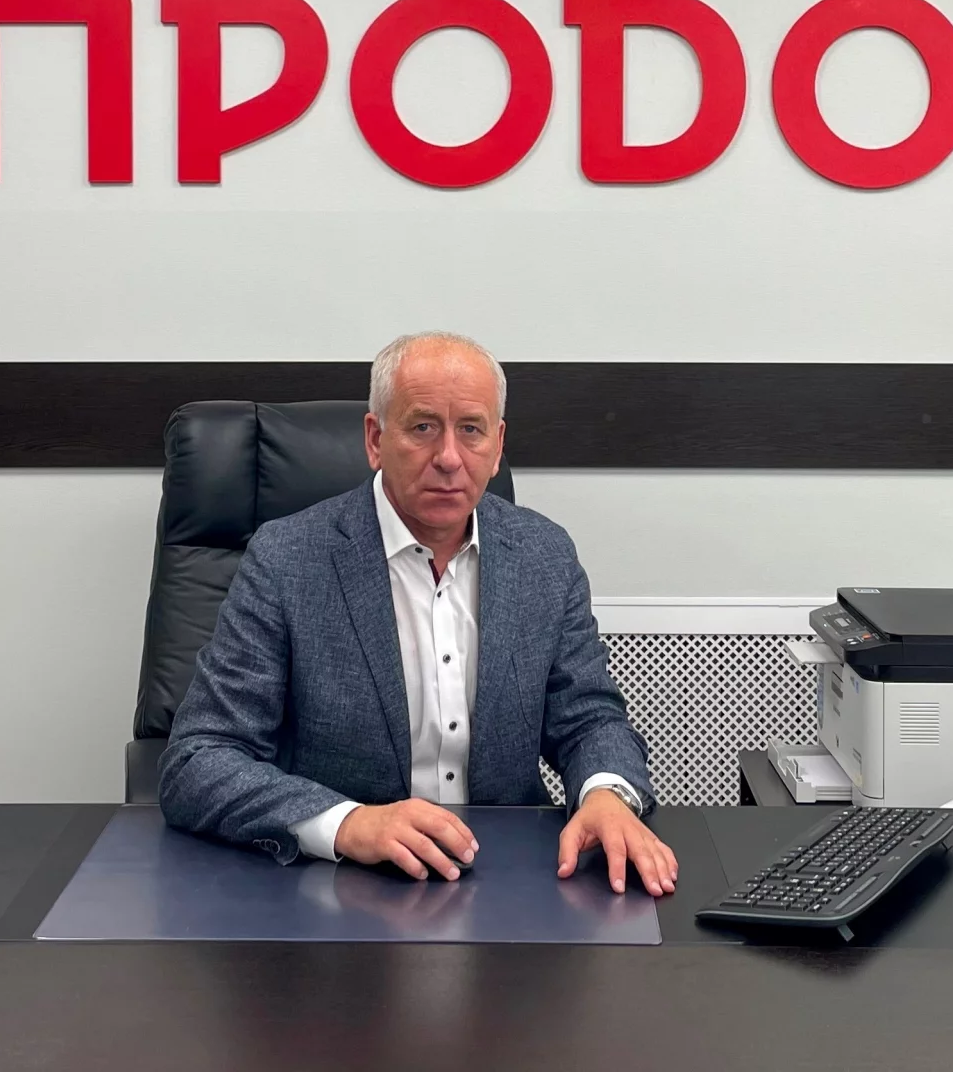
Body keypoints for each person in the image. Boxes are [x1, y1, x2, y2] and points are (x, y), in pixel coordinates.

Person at [158, 332, 678, 897]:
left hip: (511, 880)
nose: (449, 458)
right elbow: (199, 758)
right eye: (423, 427)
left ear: (497, 445)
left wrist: (606, 793)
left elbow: (589, 719)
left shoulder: (544, 557)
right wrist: (347, 823)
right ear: (375, 439)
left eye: (471, 429)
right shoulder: (287, 559)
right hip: (342, 887)